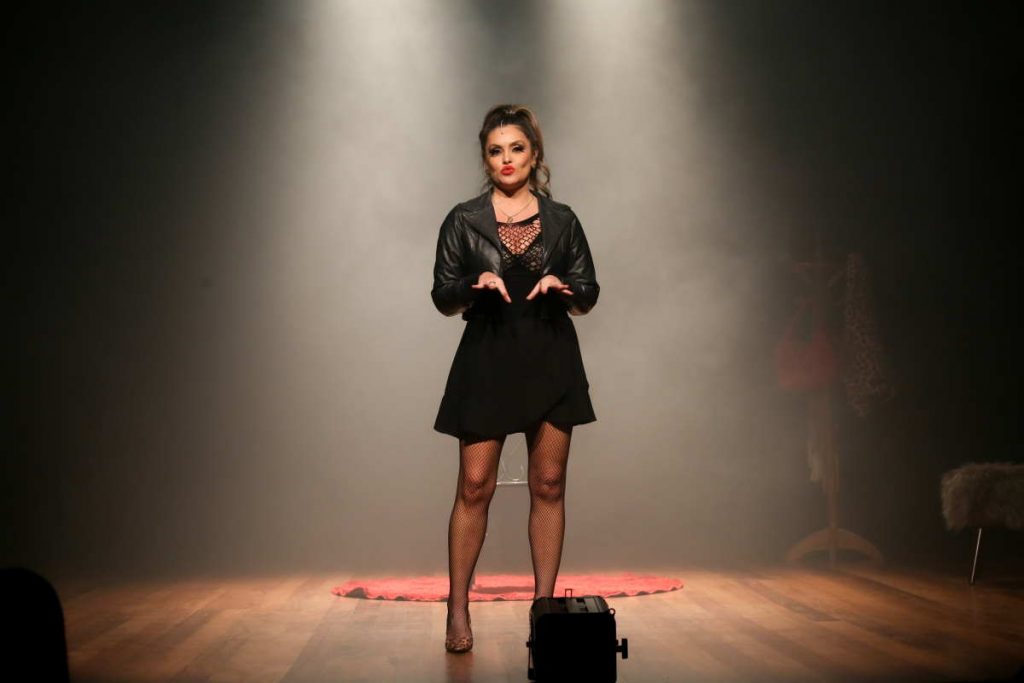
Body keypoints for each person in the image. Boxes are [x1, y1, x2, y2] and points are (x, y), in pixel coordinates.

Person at [431, 104, 600, 653]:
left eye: (516, 148)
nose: (506, 159)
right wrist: (473, 284)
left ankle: (544, 612)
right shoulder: (463, 220)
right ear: (485, 159)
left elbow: (589, 292)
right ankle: (458, 608)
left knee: (548, 485)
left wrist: (564, 287)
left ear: (535, 154)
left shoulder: (562, 220)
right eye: (495, 150)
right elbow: (442, 295)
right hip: (488, 358)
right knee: (474, 487)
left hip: (550, 356)